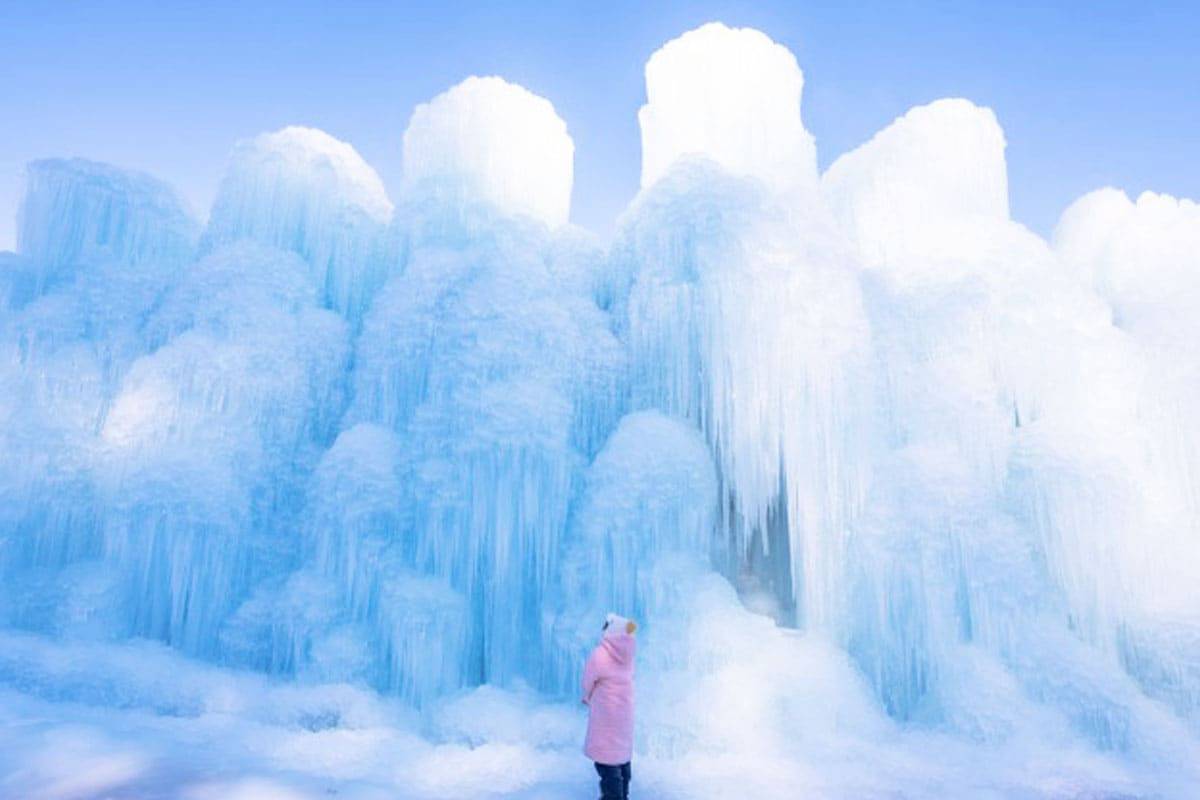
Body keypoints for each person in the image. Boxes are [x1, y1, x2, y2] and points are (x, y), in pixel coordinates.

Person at [581, 612, 637, 800]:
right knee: (620, 757)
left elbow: (588, 680)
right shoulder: (627, 655)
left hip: (605, 716)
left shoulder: (601, 654)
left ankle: (614, 797)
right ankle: (623, 793)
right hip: (624, 715)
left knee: (606, 761)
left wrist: (587, 697)